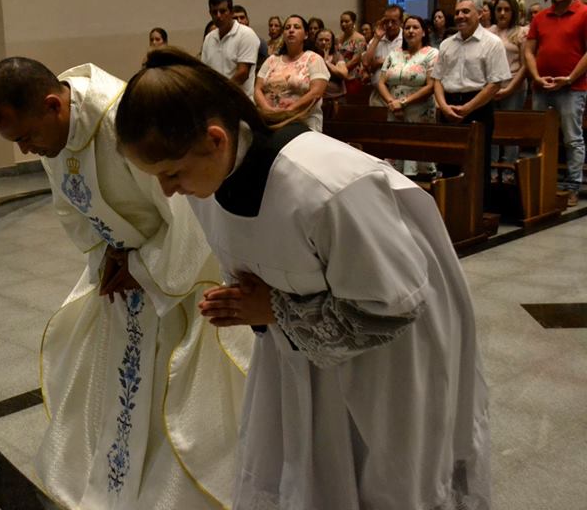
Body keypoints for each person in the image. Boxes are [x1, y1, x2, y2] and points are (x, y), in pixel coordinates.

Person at [114, 46, 491, 510]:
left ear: (216, 139)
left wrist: (273, 308)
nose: (168, 190)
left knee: (385, 476)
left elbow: (393, 307)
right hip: (297, 351)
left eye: (171, 173)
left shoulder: (325, 186)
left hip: (388, 361)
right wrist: (250, 305)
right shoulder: (206, 184)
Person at [0, 57, 250, 509]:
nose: (25, 150)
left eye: (25, 137)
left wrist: (142, 267)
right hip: (122, 276)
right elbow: (71, 210)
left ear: (53, 105)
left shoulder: (120, 121)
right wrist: (107, 255)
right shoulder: (53, 138)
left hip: (171, 278)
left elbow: (183, 209)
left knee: (175, 390)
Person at [430, 0, 512, 211]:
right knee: (448, 161)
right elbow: (437, 79)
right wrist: (443, 106)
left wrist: (468, 108)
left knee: (477, 163)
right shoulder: (447, 44)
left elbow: (495, 83)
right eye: (457, 12)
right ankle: (450, 208)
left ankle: (477, 211)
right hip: (449, 105)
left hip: (478, 107)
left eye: (466, 11)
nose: (460, 16)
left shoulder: (492, 43)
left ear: (480, 13)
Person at [524, 0, 587, 207]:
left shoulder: (584, 13)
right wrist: (536, 77)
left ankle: (572, 187)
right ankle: (543, 183)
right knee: (540, 137)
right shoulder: (541, 17)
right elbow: (529, 51)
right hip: (542, 87)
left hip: (572, 87)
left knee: (572, 139)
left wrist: (569, 78)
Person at [375, 15, 439, 177]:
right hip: (394, 109)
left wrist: (403, 103)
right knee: (395, 156)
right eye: (407, 28)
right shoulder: (394, 53)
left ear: (424, 32)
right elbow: (381, 82)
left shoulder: (431, 53)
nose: (410, 31)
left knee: (415, 157)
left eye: (415, 27)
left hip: (419, 111)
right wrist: (392, 102)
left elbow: (431, 86)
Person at [254, 15, 329, 131]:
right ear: (283, 34)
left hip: (301, 121)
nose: (291, 30)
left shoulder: (314, 59)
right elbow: (258, 88)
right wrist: (268, 110)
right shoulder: (272, 60)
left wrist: (289, 110)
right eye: (287, 28)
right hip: (269, 120)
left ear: (306, 35)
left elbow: (316, 92)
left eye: (296, 27)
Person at [489, 0, 529, 181]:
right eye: (499, 9)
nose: (502, 13)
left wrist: (509, 89)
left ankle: (508, 171)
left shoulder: (521, 33)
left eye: (507, 10)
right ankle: (491, 170)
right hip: (491, 87)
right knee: (492, 129)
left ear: (513, 12)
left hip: (514, 86)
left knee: (510, 131)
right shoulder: (489, 32)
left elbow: (525, 65)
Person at [201, 0, 260, 97]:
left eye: (222, 11)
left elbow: (243, 73)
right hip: (214, 100)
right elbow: (205, 72)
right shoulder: (209, 38)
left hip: (239, 100)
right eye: (214, 12)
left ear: (231, 12)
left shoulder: (246, 34)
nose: (218, 16)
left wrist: (219, 93)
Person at [362, 4, 404, 103]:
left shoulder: (406, 38)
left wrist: (381, 62)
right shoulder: (376, 39)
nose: (389, 25)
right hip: (378, 97)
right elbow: (366, 63)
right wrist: (377, 38)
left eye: (393, 21)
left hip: (400, 95)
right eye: (386, 21)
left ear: (401, 22)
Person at [336, 10, 368, 99]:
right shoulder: (338, 38)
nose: (343, 24)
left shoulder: (359, 38)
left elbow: (356, 60)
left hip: (352, 77)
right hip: (339, 76)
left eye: (346, 21)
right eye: (342, 22)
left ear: (353, 22)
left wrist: (340, 71)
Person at [232, 4, 269, 71]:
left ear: (247, 20)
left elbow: (264, 68)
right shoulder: (227, 41)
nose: (239, 21)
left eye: (242, 18)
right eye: (235, 18)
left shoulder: (259, 42)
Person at [314, 28, 347, 103]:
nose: (323, 42)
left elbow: (344, 74)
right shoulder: (311, 56)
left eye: (327, 40)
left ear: (332, 43)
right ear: (316, 42)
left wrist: (327, 62)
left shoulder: (337, 56)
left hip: (337, 98)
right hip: (317, 98)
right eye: (321, 40)